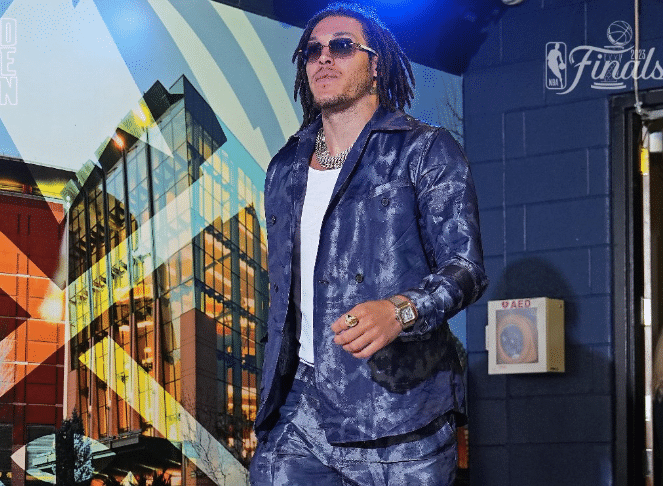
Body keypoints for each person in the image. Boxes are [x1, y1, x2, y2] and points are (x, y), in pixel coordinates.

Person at [250, 3, 488, 485]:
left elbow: (465, 268)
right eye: (312, 50)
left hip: (402, 415)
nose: (323, 58)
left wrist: (401, 310)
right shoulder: (285, 167)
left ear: (375, 64)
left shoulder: (425, 149)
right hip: (301, 408)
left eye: (341, 46)